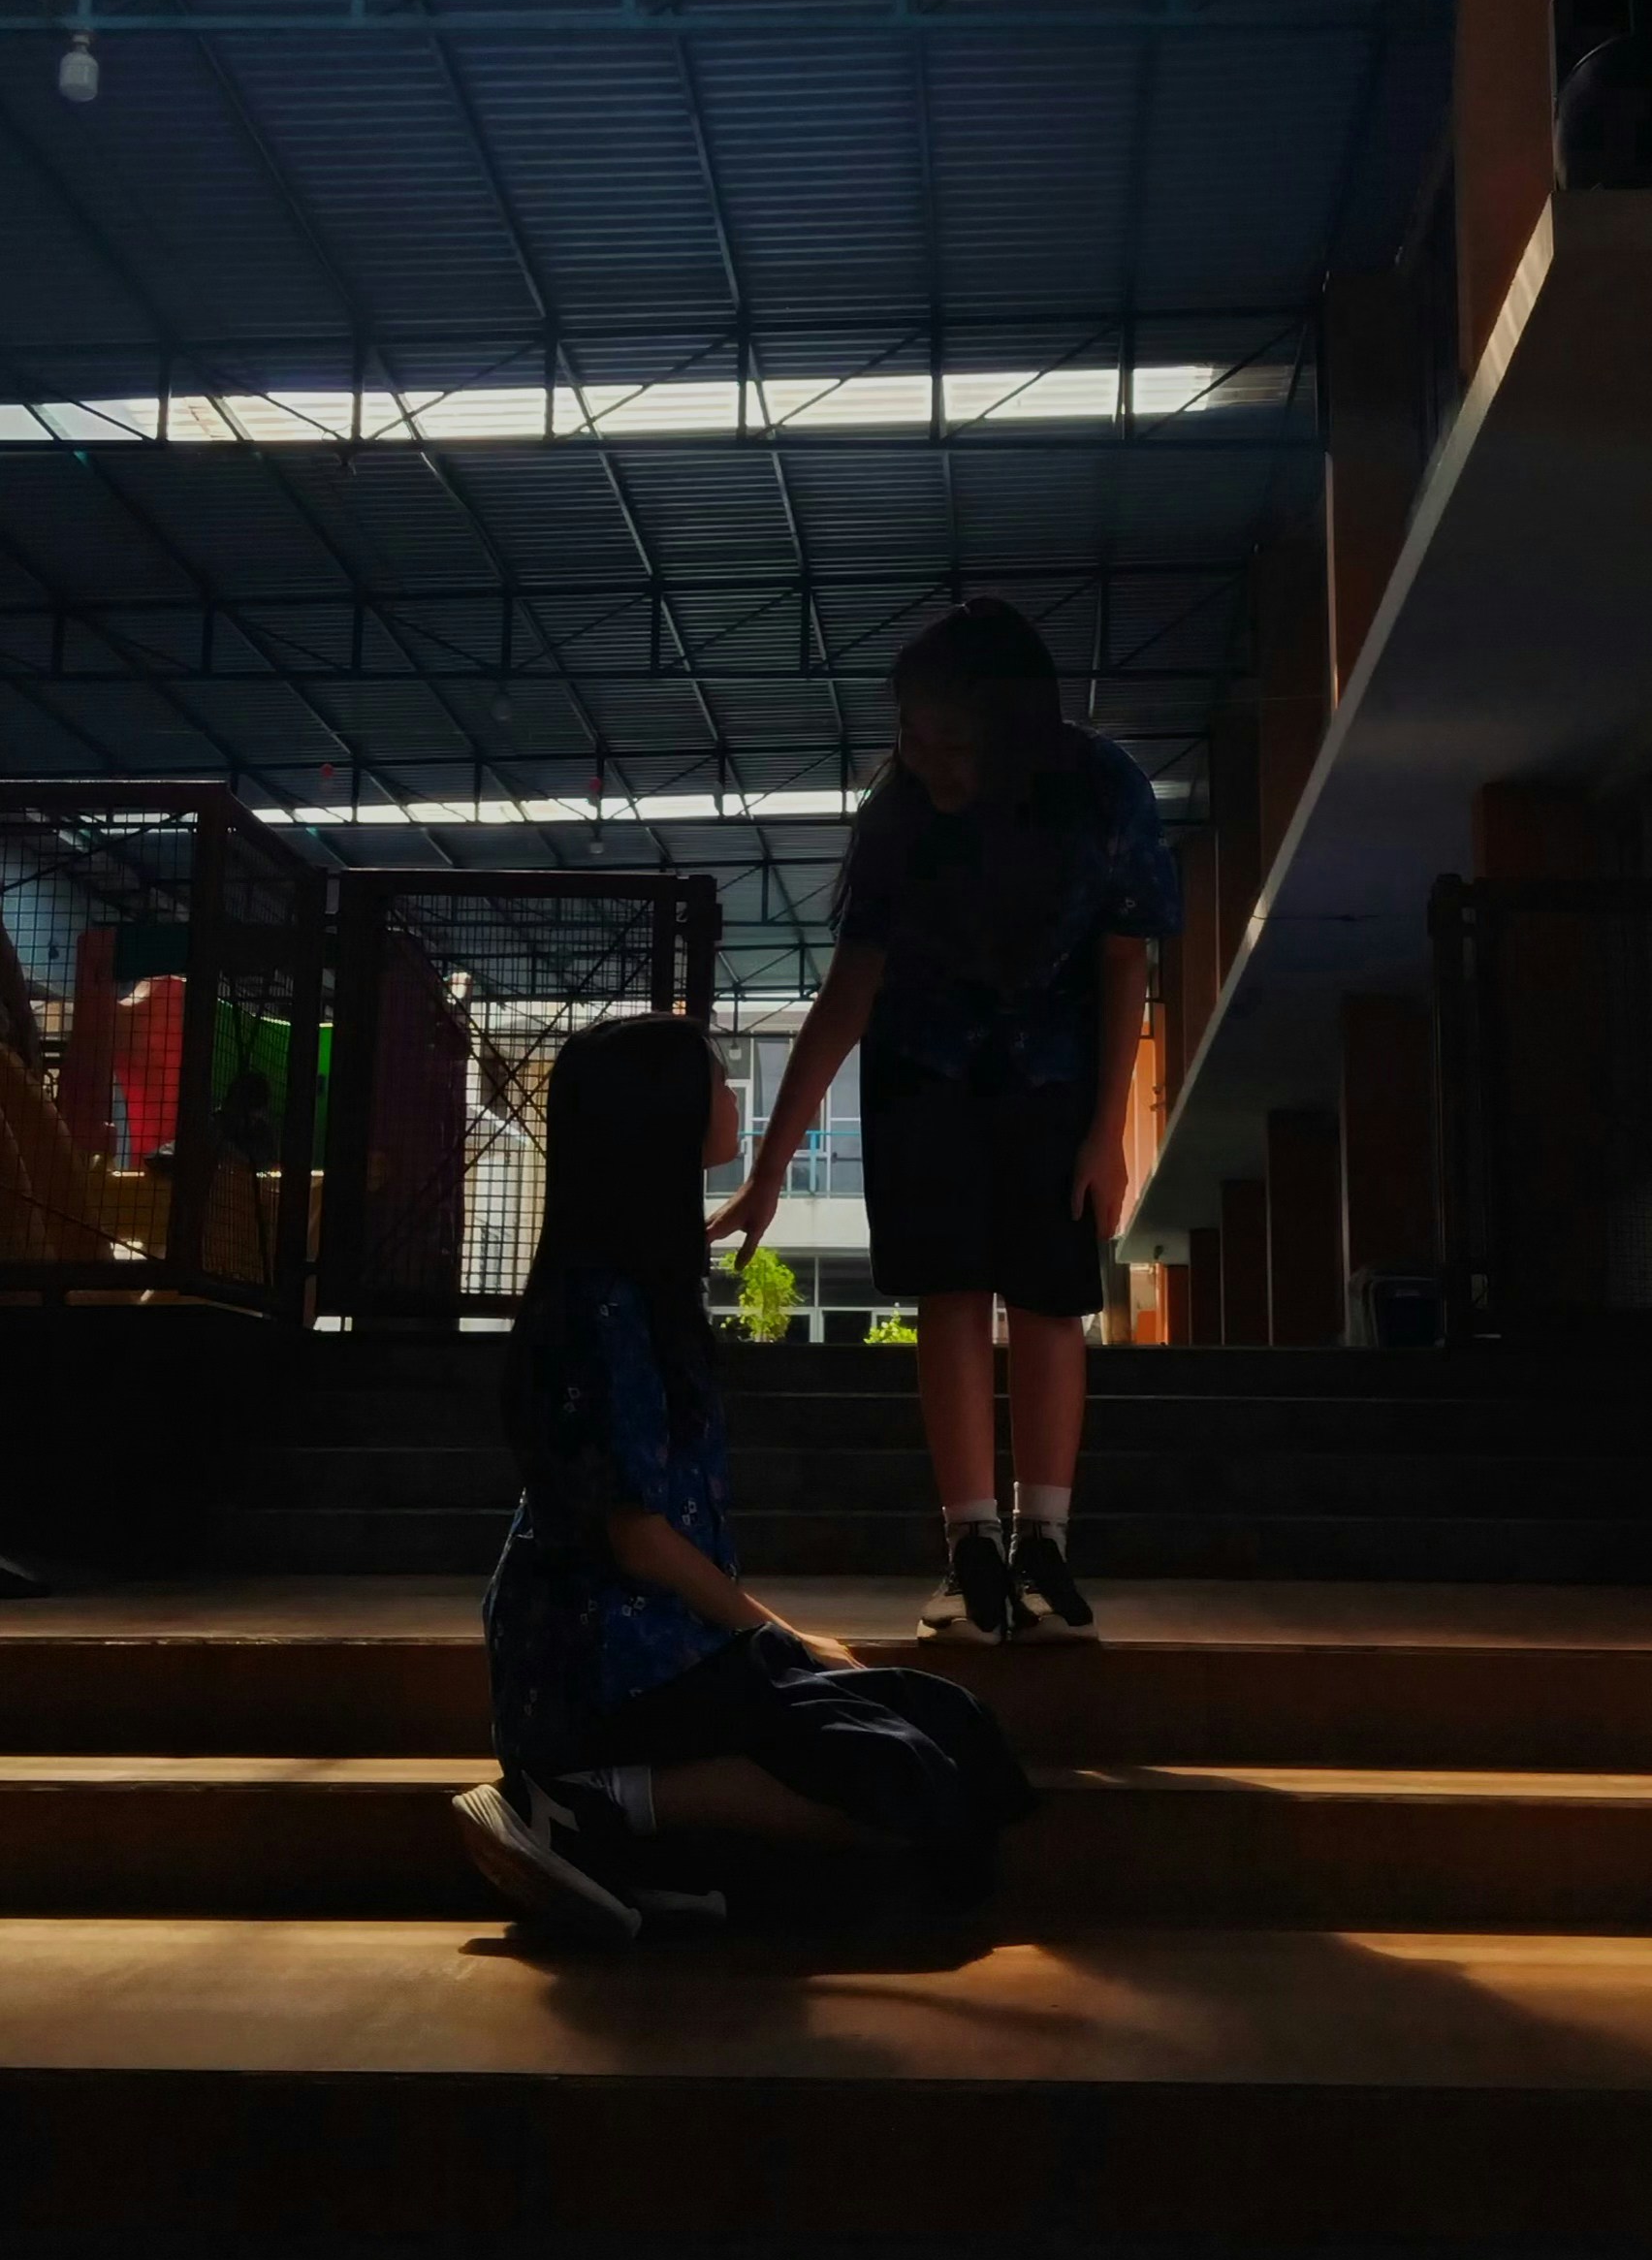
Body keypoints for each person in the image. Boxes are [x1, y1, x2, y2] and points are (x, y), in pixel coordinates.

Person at [455, 1013, 1032, 1945]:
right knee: (908, 1779)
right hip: (603, 1675)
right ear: (660, 1118)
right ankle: (588, 1802)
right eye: (718, 1080)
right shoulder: (598, 1307)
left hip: (671, 1654)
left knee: (947, 1723)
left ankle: (638, 1842)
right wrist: (782, 1636)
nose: (733, 1097)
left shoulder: (642, 1284)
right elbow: (635, 1536)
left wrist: (777, 1640)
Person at [710, 596, 1182, 1647]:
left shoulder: (1101, 790)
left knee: (1054, 1295)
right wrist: (771, 1163)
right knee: (948, 1291)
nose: (922, 758)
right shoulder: (899, 814)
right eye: (908, 734)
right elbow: (850, 987)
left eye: (949, 739)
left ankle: (1044, 1543)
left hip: (1053, 1076)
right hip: (922, 1073)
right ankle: (970, 1547)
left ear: (1015, 731)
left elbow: (1123, 962)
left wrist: (1107, 1128)